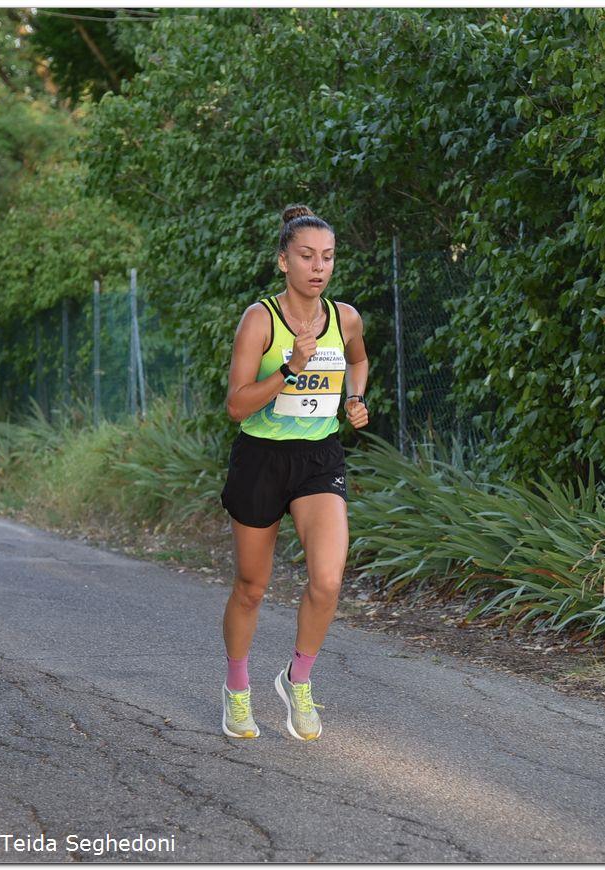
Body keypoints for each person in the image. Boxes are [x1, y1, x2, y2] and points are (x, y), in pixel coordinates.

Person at [219, 204, 370, 740]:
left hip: (318, 458)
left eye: (327, 257)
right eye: (306, 256)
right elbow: (236, 406)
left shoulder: (345, 318)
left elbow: (357, 360)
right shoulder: (260, 319)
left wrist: (354, 398)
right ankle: (237, 689)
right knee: (251, 587)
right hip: (261, 458)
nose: (318, 266)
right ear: (284, 261)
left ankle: (297, 680)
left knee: (327, 580)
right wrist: (290, 368)